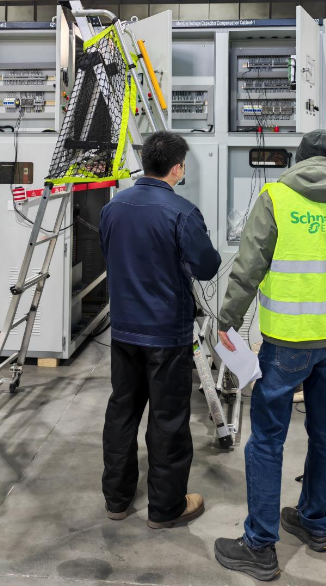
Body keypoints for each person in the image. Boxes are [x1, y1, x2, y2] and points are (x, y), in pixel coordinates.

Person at [214, 130, 326, 581]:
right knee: (324, 433)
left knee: (267, 439)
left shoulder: (275, 197)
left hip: (287, 341)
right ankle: (314, 522)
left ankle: (260, 544)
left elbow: (248, 267)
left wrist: (227, 320)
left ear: (299, 159)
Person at [99, 131, 221, 529]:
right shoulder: (181, 212)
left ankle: (117, 499)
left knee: (122, 411)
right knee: (167, 419)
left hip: (124, 330)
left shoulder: (114, 206)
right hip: (166, 334)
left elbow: (111, 252)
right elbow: (206, 266)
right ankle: (165, 507)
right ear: (177, 167)